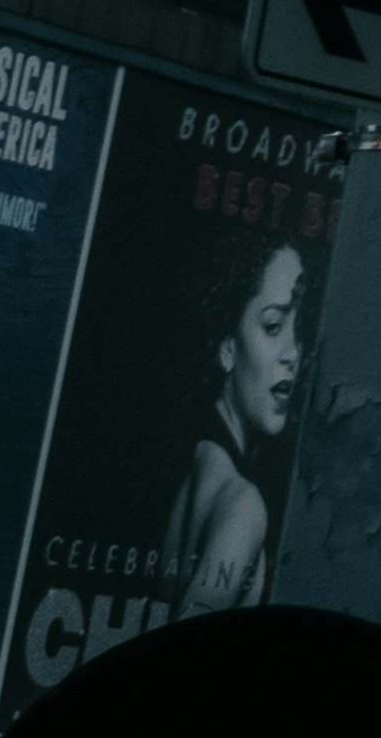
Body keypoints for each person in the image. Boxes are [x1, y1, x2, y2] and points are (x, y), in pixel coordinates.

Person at [163, 242, 307, 612]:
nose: (292, 352)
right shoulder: (244, 508)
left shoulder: (199, 463)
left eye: (299, 326)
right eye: (273, 325)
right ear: (227, 349)